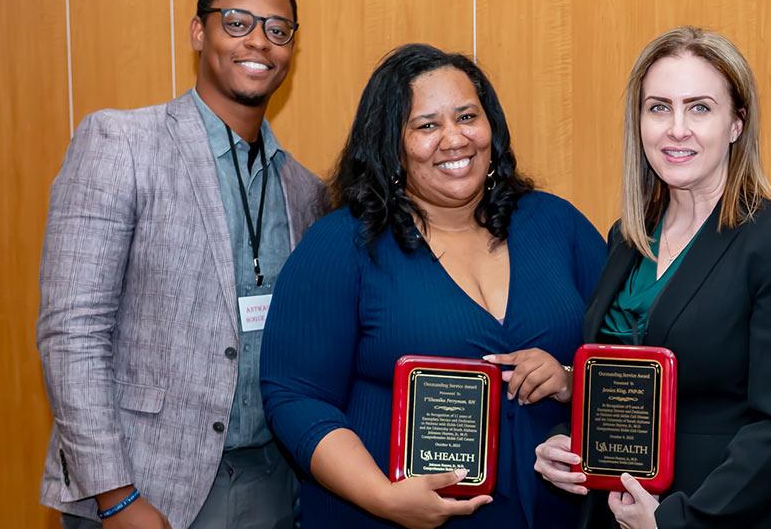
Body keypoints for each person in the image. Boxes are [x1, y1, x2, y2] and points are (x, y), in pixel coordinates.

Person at [259, 43, 607, 529]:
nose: (454, 138)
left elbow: (623, 360)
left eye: (467, 116)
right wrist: (383, 497)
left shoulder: (556, 224)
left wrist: (569, 380)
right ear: (390, 144)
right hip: (385, 517)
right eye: (427, 125)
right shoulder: (343, 244)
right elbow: (295, 396)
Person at [36, 0, 326, 529]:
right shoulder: (120, 143)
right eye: (238, 22)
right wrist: (115, 496)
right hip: (143, 486)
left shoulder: (306, 190)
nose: (259, 43)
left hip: (271, 481)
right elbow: (71, 331)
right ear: (200, 32)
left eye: (278, 29)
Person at [533, 26, 771, 529]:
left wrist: (680, 520)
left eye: (699, 107)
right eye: (658, 107)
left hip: (716, 517)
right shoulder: (627, 239)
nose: (676, 128)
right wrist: (568, 444)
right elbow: (614, 383)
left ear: (736, 123)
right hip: (613, 514)